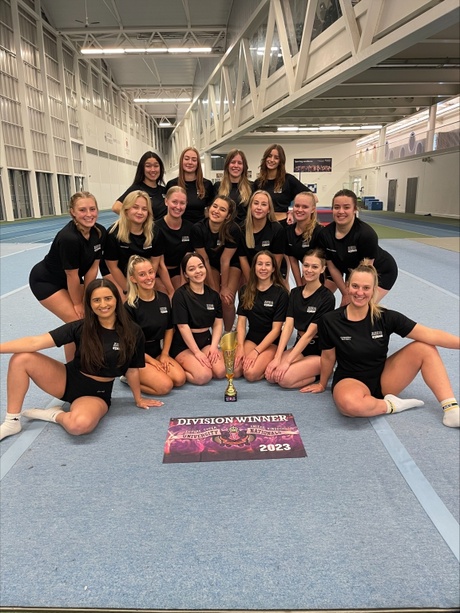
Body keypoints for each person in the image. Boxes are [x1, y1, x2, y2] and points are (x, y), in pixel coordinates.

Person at [0, 279, 163, 441]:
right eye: (96, 300)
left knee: (78, 426)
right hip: (67, 379)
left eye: (108, 298)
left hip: (96, 393)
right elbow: (36, 341)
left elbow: (132, 369)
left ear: (116, 300)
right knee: (21, 358)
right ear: (90, 304)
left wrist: (138, 398)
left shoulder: (133, 332)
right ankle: (12, 422)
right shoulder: (80, 327)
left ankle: (54, 415)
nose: (103, 304)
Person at [302, 260, 460, 428]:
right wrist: (322, 383)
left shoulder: (386, 317)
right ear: (347, 286)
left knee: (424, 347)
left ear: (374, 290)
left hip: (384, 378)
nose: (360, 292)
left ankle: (451, 409)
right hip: (350, 380)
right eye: (355, 286)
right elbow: (328, 357)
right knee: (350, 406)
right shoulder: (330, 320)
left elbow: (431, 334)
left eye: (366, 288)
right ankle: (392, 405)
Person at [29, 191, 106, 362]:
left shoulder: (100, 232)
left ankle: (85, 358)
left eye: (92, 209)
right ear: (72, 212)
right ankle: (72, 369)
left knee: (88, 317)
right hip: (46, 281)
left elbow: (93, 268)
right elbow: (72, 275)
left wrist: (87, 296)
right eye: (82, 210)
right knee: (75, 322)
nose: (89, 214)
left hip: (70, 280)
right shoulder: (69, 238)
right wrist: (78, 303)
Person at [265, 249, 335, 389]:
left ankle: (324, 371)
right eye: (306, 265)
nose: (309, 270)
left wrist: (287, 362)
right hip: (300, 347)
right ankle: (302, 367)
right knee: (272, 376)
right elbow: (288, 327)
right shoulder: (295, 293)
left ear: (323, 269)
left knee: (284, 380)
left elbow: (309, 335)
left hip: (318, 351)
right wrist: (278, 357)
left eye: (315, 267)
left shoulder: (327, 298)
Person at [318, 189, 398, 305]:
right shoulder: (325, 234)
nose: (341, 211)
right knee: (346, 307)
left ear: (355, 209)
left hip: (379, 271)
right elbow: (333, 267)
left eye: (346, 207)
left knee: (359, 307)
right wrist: (345, 293)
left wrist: (351, 295)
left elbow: (366, 272)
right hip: (353, 270)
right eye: (336, 207)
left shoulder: (366, 234)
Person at [124, 256, 186, 395]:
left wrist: (164, 354)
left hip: (157, 351)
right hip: (137, 355)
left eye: (150, 272)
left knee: (180, 380)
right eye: (142, 274)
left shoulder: (163, 299)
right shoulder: (129, 306)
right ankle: (128, 378)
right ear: (133, 279)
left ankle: (148, 374)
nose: (148, 277)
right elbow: (131, 343)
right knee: (165, 386)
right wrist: (151, 361)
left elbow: (169, 329)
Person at [102, 190, 172, 298]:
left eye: (144, 209)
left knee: (162, 295)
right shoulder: (113, 234)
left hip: (143, 274)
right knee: (126, 302)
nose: (140, 212)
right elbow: (113, 268)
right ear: (126, 210)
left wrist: (171, 291)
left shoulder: (155, 232)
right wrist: (129, 290)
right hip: (118, 274)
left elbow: (155, 264)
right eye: (135, 207)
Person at [170, 252, 226, 384]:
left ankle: (199, 361)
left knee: (221, 371)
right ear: (185, 274)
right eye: (191, 269)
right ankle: (177, 370)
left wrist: (213, 347)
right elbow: (183, 326)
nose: (198, 271)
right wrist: (197, 353)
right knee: (203, 376)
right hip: (184, 344)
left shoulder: (213, 295)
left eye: (200, 267)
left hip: (205, 340)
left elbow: (218, 323)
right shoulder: (180, 296)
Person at [234, 251, 289, 382]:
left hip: (272, 341)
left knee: (250, 374)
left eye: (267, 264)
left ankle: (269, 364)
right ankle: (259, 362)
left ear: (273, 268)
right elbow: (241, 323)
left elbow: (276, 330)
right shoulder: (245, 290)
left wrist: (256, 352)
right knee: (235, 371)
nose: (263, 268)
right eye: (260, 264)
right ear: (254, 267)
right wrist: (240, 346)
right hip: (252, 338)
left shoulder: (281, 293)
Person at [191, 195, 242, 331]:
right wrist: (215, 290)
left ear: (228, 215)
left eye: (222, 209)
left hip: (231, 263)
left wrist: (224, 287)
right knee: (215, 298)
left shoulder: (233, 230)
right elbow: (205, 260)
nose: (216, 211)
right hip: (210, 264)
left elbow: (225, 260)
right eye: (215, 206)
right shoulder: (198, 229)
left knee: (227, 300)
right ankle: (216, 330)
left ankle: (229, 332)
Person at [253, 144, 310, 224]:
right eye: (269, 156)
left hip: (282, 223)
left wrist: (293, 212)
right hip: (263, 224)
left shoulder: (288, 180)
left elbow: (313, 198)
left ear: (280, 161)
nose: (272, 160)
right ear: (265, 158)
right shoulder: (258, 183)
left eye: (276, 158)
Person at [238, 190, 285, 284]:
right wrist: (252, 283)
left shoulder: (276, 229)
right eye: (256, 203)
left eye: (263, 204)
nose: (259, 207)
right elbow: (243, 259)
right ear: (250, 207)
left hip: (272, 271)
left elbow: (277, 261)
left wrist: (267, 284)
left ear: (269, 210)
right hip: (252, 271)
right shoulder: (242, 229)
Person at [154, 186, 194, 293]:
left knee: (184, 293)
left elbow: (187, 259)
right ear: (166, 201)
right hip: (159, 271)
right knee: (166, 294)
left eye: (182, 203)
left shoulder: (190, 228)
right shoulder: (155, 228)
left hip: (179, 270)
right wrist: (171, 291)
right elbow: (160, 264)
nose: (178, 206)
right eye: (174, 202)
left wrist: (183, 283)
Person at [285, 192, 325, 287]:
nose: (299, 210)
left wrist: (304, 282)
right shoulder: (289, 231)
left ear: (313, 210)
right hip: (308, 270)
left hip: (324, 272)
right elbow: (293, 260)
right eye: (297, 206)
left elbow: (318, 263)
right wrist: (299, 285)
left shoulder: (319, 232)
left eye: (305, 207)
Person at [165, 147, 214, 223]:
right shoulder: (172, 184)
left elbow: (210, 211)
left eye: (194, 160)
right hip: (177, 229)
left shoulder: (207, 184)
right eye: (186, 159)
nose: (190, 162)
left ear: (198, 163)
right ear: (181, 161)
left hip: (199, 230)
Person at [112, 151, 166, 219]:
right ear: (142, 168)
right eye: (148, 166)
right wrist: (137, 221)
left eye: (156, 166)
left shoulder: (165, 190)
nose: (153, 170)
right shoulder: (136, 189)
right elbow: (116, 207)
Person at [214, 149, 253, 225]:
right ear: (227, 165)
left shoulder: (251, 187)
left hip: (244, 232)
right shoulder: (217, 186)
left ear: (244, 166)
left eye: (239, 163)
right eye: (233, 162)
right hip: (222, 231)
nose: (236, 166)